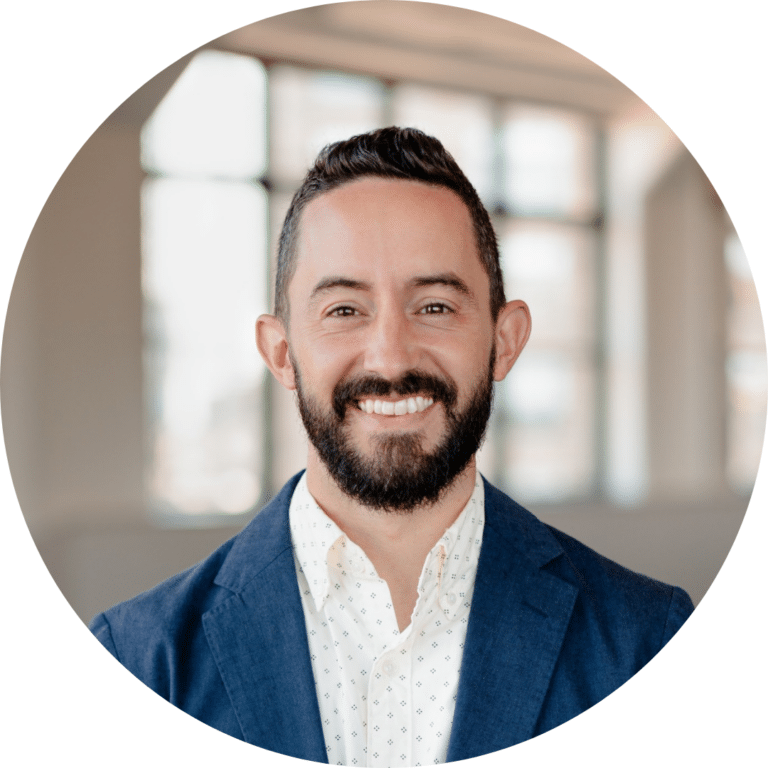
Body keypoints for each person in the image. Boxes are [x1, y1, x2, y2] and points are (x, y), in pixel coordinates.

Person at [89, 127, 693, 766]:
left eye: (434, 306)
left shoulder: (648, 645)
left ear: (505, 341)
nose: (391, 357)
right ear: (281, 351)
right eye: (344, 310)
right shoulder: (136, 665)